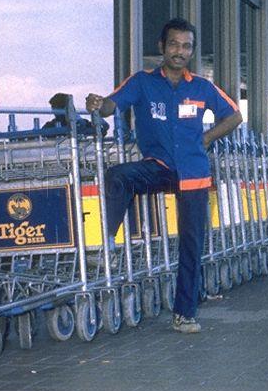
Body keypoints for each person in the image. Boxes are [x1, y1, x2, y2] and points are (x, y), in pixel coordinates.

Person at [85, 18, 242, 333]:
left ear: (191, 51)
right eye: (174, 44)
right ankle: (107, 246)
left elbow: (234, 115)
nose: (179, 51)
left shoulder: (202, 87)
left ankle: (185, 314)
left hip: (194, 174)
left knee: (191, 245)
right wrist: (98, 104)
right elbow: (111, 106)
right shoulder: (142, 82)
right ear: (162, 47)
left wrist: (206, 139)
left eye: (186, 46)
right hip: (158, 167)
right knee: (118, 175)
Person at [43, 92, 108, 136]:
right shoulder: (51, 125)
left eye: (54, 107)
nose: (53, 111)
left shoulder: (82, 123)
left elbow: (103, 129)